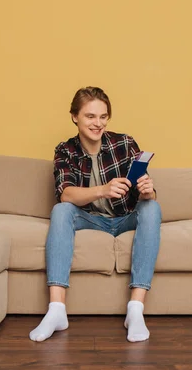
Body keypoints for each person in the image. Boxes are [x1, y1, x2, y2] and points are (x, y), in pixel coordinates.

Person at [29, 86, 162, 343]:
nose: (97, 123)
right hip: (90, 219)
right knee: (61, 210)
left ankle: (136, 309)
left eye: (103, 116)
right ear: (74, 117)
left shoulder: (124, 143)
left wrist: (147, 191)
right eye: (90, 116)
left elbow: (148, 195)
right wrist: (103, 189)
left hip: (125, 217)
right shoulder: (65, 150)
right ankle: (57, 310)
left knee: (153, 207)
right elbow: (65, 194)